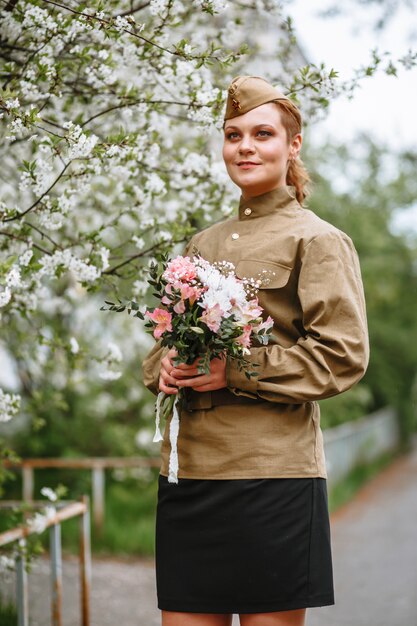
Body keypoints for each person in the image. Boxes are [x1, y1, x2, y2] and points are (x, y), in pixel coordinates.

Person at [142, 75, 369, 626]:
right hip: (190, 475)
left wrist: (236, 372)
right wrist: (163, 367)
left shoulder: (317, 240)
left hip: (273, 478)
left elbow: (342, 355)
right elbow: (165, 341)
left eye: (262, 134)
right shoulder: (203, 244)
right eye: (233, 134)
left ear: (292, 145)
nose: (245, 146)